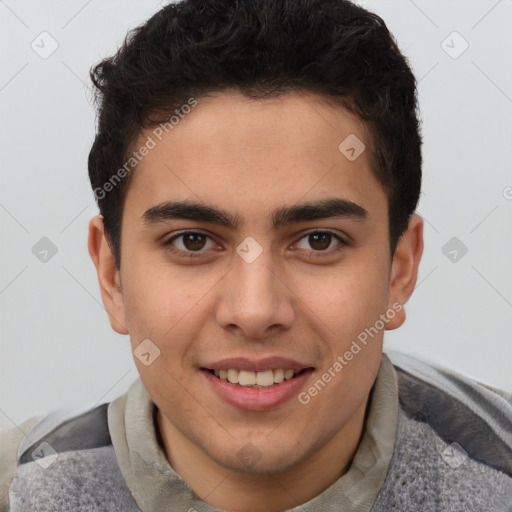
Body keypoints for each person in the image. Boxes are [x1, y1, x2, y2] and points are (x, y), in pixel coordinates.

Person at [1, 0, 511, 510]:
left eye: (318, 241)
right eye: (193, 241)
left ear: (399, 269)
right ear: (113, 276)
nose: (254, 311)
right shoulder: (20, 490)